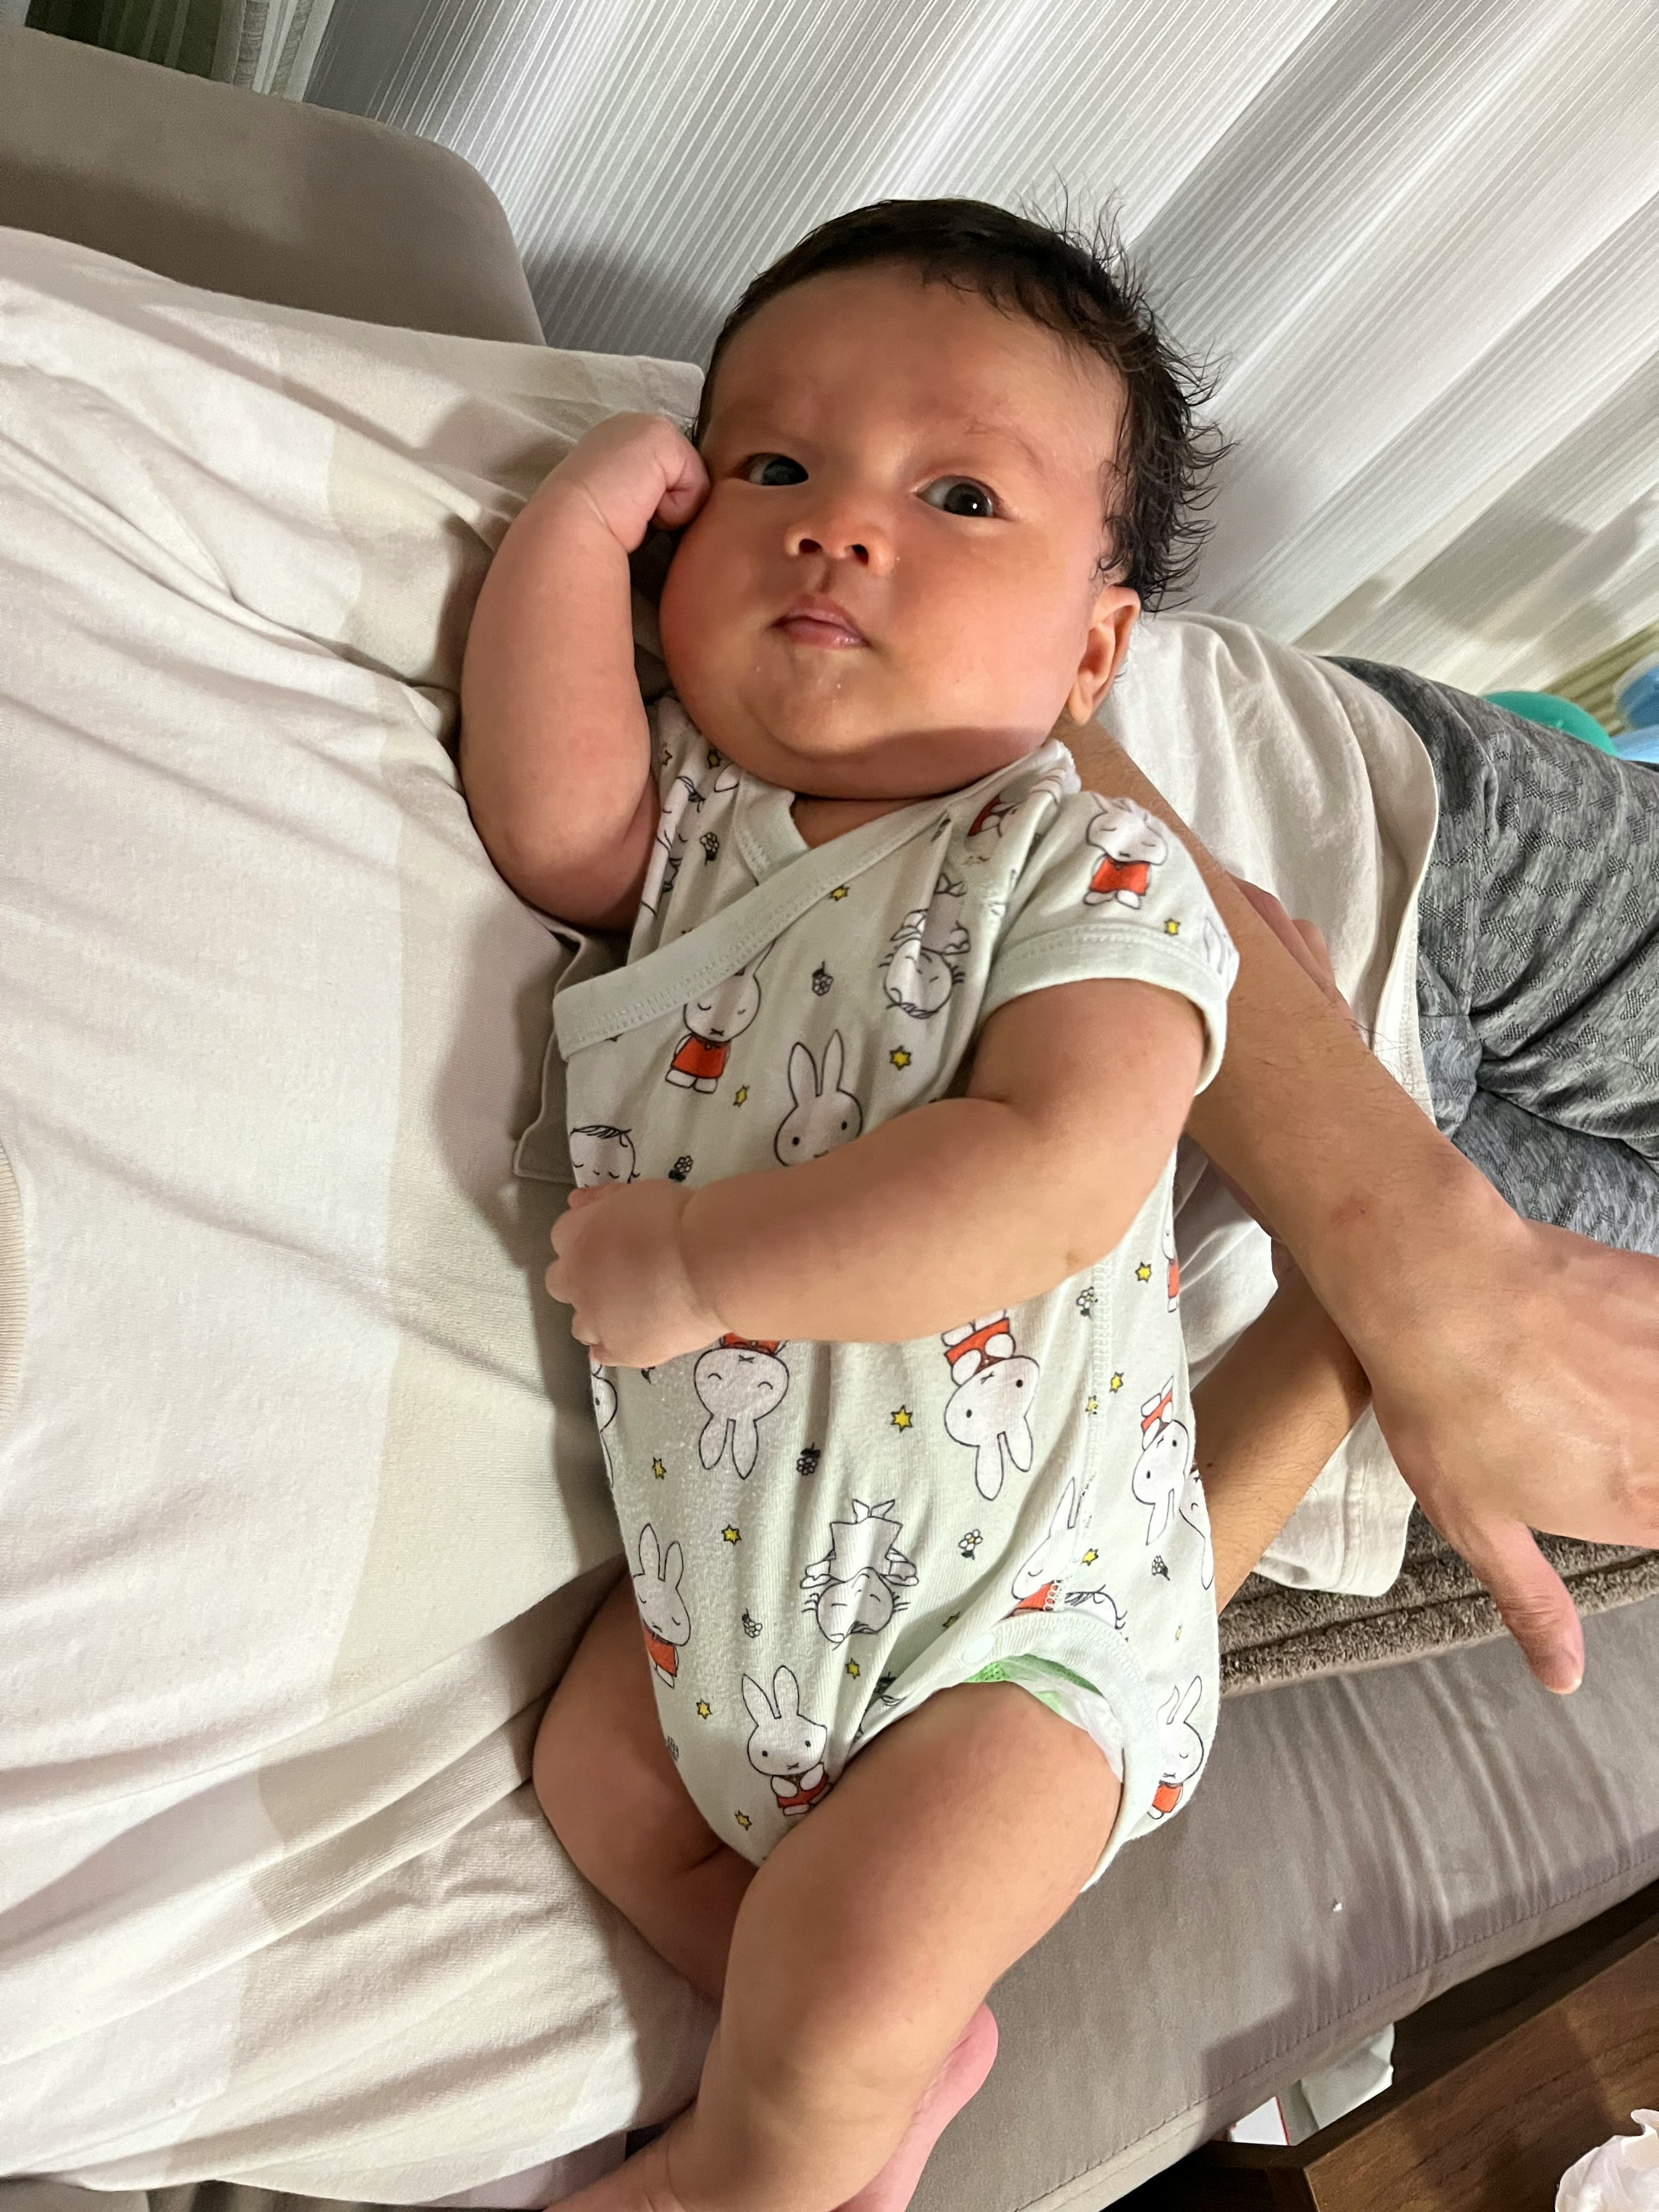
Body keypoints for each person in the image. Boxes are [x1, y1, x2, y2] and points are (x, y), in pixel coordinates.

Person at [458, 195, 1392, 2212]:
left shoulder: (1098, 881)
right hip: (732, 1619)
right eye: (773, 466)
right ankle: (889, 2063)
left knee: (848, 1965)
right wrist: (571, 524)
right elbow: (547, 817)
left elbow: (1056, 1181)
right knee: (601, 1778)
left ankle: (754, 2175)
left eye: (957, 490)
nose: (838, 524)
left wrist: (707, 1262)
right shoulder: (694, 826)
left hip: (1022, 1638)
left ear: (1091, 648)